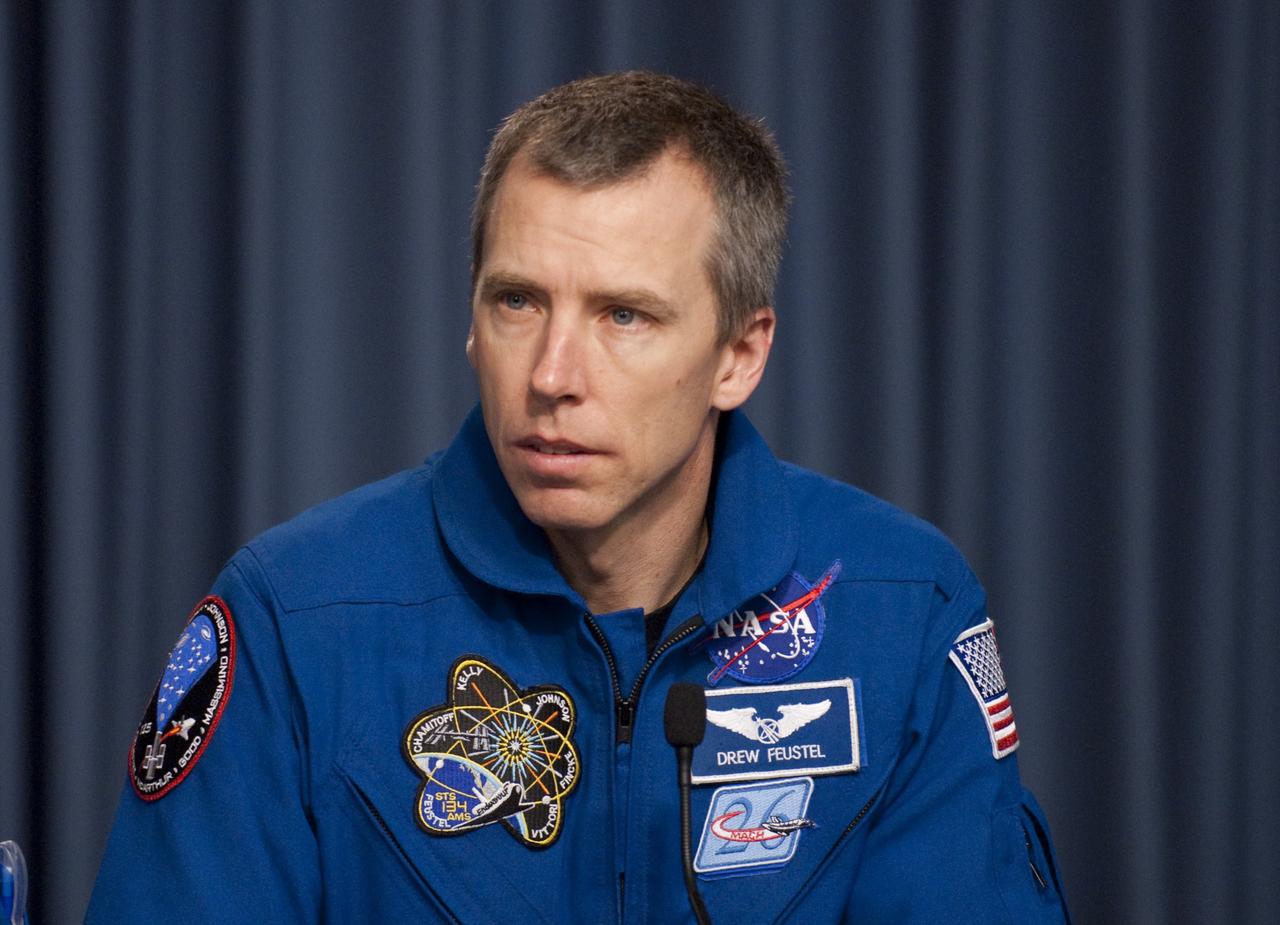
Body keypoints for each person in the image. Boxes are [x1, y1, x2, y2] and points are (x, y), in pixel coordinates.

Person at [88, 71, 1068, 923]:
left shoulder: (897, 609)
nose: (552, 372)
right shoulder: (293, 618)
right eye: (516, 301)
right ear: (471, 320)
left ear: (739, 354)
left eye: (623, 315)